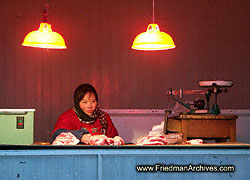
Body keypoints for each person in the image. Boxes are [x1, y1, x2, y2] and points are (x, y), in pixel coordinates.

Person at [52, 83, 118, 144]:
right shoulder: (68, 117)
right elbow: (57, 134)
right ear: (77, 103)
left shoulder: (103, 117)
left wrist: (116, 140)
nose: (89, 106)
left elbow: (113, 138)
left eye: (93, 101)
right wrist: (81, 136)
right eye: (85, 102)